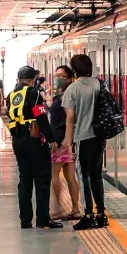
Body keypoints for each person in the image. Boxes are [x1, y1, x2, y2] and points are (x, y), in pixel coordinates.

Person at [6, 66, 62, 230]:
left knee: (25, 178)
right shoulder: (33, 93)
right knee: (42, 178)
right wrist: (52, 139)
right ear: (33, 79)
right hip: (34, 140)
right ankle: (43, 218)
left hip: (18, 140)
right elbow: (41, 116)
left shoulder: (11, 95)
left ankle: (25, 220)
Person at [63, 54, 107, 231]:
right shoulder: (99, 84)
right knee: (97, 175)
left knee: (83, 176)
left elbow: (70, 117)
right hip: (99, 136)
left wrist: (68, 141)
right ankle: (101, 214)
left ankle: (88, 215)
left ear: (74, 69)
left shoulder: (73, 89)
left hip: (83, 137)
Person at [49, 65, 81, 222]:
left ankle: (57, 209)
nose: (57, 78)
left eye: (61, 76)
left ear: (69, 78)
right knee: (70, 176)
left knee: (54, 174)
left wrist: (66, 141)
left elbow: (70, 116)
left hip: (61, 140)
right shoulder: (63, 93)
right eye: (56, 75)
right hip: (65, 140)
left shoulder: (67, 94)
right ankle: (75, 209)